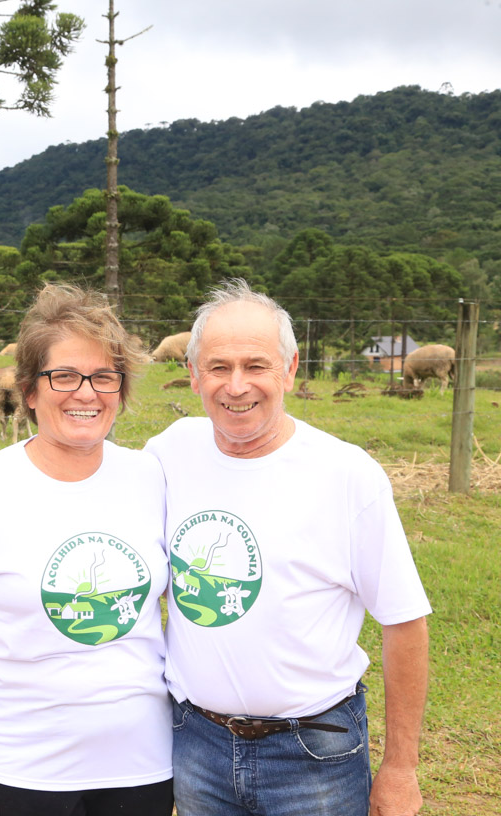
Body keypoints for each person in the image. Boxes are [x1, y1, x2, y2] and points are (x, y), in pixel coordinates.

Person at [144, 279, 431, 816]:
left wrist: (399, 769)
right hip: (195, 743)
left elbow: (404, 623)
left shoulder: (347, 476)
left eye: (256, 366)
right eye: (218, 367)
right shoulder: (166, 455)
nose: (236, 386)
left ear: (290, 369)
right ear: (192, 374)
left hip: (312, 752)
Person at [0, 284, 174, 816]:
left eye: (104, 377)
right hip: (22, 768)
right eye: (64, 376)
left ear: (121, 388)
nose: (85, 393)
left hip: (145, 763)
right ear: (28, 390)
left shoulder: (152, 478)